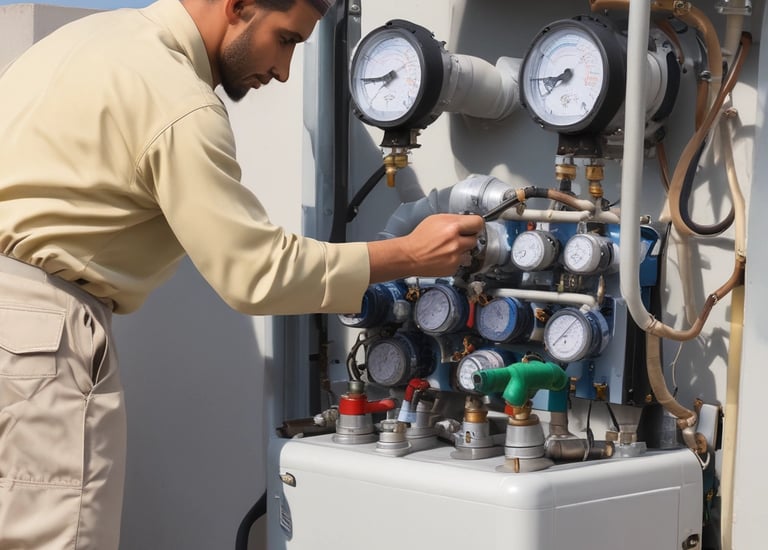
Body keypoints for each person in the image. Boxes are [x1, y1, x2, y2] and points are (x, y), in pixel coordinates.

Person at [0, 0, 484, 547]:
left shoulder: (76, 45)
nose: (281, 71)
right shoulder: (177, 99)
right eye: (286, 40)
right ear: (240, 6)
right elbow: (256, 272)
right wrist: (409, 255)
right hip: (39, 343)